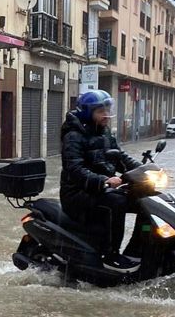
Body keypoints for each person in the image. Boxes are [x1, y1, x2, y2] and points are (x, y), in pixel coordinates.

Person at [59, 89, 142, 273]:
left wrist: (143, 170)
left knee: (142, 199)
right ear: (88, 113)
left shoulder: (104, 133)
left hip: (100, 190)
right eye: (100, 111)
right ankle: (110, 255)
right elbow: (75, 169)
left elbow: (121, 157)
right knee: (117, 202)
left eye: (107, 109)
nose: (106, 114)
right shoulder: (73, 136)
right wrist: (104, 180)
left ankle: (139, 249)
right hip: (77, 194)